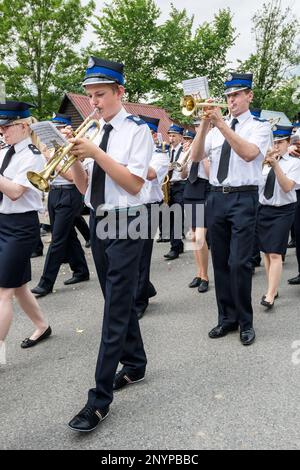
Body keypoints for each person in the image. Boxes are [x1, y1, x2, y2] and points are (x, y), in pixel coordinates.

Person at [66, 56, 153, 432]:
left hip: (129, 221)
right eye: (90, 96)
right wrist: (72, 158)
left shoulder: (137, 131)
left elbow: (134, 185)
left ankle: (98, 399)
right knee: (113, 299)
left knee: (114, 310)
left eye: (100, 94)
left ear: (120, 92)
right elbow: (87, 188)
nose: (94, 102)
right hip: (99, 218)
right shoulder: (96, 131)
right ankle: (135, 363)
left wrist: (96, 153)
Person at [191, 72, 271, 346]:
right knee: (220, 261)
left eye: (236, 94)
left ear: (249, 95)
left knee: (239, 263)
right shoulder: (213, 130)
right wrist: (204, 125)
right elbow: (195, 156)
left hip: (243, 198)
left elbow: (249, 154)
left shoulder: (259, 127)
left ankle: (245, 321)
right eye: (228, 96)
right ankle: (227, 318)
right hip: (216, 197)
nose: (231, 99)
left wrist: (222, 124)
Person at [0, 100, 51, 360]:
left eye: (6, 127)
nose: (2, 132)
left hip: (20, 226)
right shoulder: (5, 151)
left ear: (22, 126)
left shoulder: (32, 155)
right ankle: (42, 326)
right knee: (17, 285)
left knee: (3, 291)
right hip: (2, 222)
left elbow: (16, 192)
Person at [31, 113, 90, 297]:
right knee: (69, 235)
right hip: (55, 193)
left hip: (70, 193)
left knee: (57, 239)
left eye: (57, 129)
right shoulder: (51, 148)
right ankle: (81, 270)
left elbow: (73, 178)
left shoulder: (74, 147)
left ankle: (46, 282)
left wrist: (52, 163)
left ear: (65, 129)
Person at [257, 125, 300, 308]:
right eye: (273, 142)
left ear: (288, 143)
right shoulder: (264, 162)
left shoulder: (294, 163)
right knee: (266, 252)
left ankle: (270, 295)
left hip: (283, 210)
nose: (276, 146)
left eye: (280, 142)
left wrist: (276, 166)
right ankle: (272, 287)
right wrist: (264, 163)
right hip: (264, 209)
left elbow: (288, 186)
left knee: (275, 253)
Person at [135, 115, 169, 319]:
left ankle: (140, 301)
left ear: (154, 135)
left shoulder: (160, 154)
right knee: (130, 254)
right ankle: (145, 287)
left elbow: (149, 174)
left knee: (141, 255)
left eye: (144, 133)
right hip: (130, 206)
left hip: (149, 207)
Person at [181, 130, 210, 293]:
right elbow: (183, 174)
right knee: (193, 237)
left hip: (204, 191)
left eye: (189, 139)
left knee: (200, 237)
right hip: (190, 191)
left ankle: (205, 276)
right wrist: (186, 159)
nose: (188, 142)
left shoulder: (207, 151)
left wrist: (201, 155)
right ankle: (198, 273)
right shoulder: (189, 154)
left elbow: (210, 174)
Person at [164, 124, 185, 260]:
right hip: (168, 185)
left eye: (174, 136)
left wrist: (170, 166)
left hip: (180, 185)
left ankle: (175, 247)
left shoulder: (184, 150)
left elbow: (180, 167)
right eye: (170, 135)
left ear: (181, 137)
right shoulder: (166, 151)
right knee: (170, 216)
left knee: (176, 216)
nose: (171, 138)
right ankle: (179, 244)